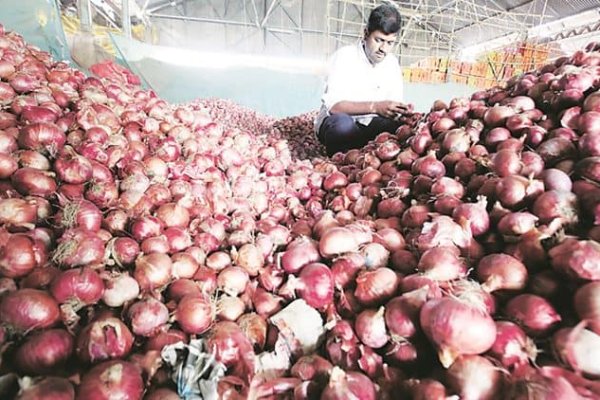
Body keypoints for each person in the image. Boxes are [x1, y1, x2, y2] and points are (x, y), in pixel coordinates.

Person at [315, 4, 410, 156]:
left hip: (370, 126)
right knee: (342, 126)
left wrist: (401, 112)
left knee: (400, 127)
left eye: (390, 43)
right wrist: (375, 107)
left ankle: (367, 159)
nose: (383, 49)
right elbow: (334, 107)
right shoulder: (345, 57)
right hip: (340, 124)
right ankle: (339, 162)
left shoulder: (392, 64)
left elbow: (393, 107)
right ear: (366, 33)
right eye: (379, 40)